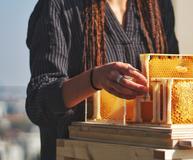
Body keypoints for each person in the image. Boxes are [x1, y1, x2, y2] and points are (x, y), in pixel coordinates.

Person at [25, 0, 179, 159]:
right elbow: (38, 103)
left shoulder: (158, 6)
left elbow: (175, 80)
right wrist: (94, 80)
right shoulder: (58, 5)